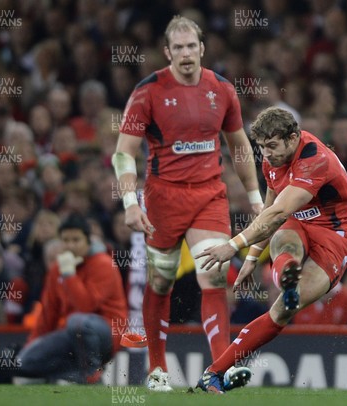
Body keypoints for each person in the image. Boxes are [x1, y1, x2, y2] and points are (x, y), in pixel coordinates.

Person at [112, 16, 262, 392]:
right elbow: (123, 154)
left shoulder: (222, 89)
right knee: (161, 281)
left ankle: (220, 370)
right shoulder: (148, 93)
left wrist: (256, 198)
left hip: (209, 193)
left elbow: (239, 145)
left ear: (202, 49)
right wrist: (131, 202)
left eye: (191, 46)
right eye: (177, 48)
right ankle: (157, 370)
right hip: (163, 197)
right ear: (167, 52)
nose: (185, 53)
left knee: (213, 273)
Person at [195, 106, 347, 393]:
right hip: (296, 224)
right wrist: (252, 258)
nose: (266, 154)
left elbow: (278, 210)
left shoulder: (315, 159)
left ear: (293, 138)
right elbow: (269, 210)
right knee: (285, 237)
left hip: (334, 236)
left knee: (282, 311)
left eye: (271, 146)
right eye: (261, 147)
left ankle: (287, 282)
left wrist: (232, 246)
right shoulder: (273, 160)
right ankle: (213, 374)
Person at [15, 214, 128, 383]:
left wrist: (69, 274)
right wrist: (33, 344)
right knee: (24, 362)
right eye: (66, 240)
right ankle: (71, 376)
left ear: (88, 241)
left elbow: (85, 306)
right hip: (72, 334)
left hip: (107, 334)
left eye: (76, 240)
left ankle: (91, 374)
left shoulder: (103, 264)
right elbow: (48, 315)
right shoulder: (56, 270)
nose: (70, 245)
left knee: (77, 321)